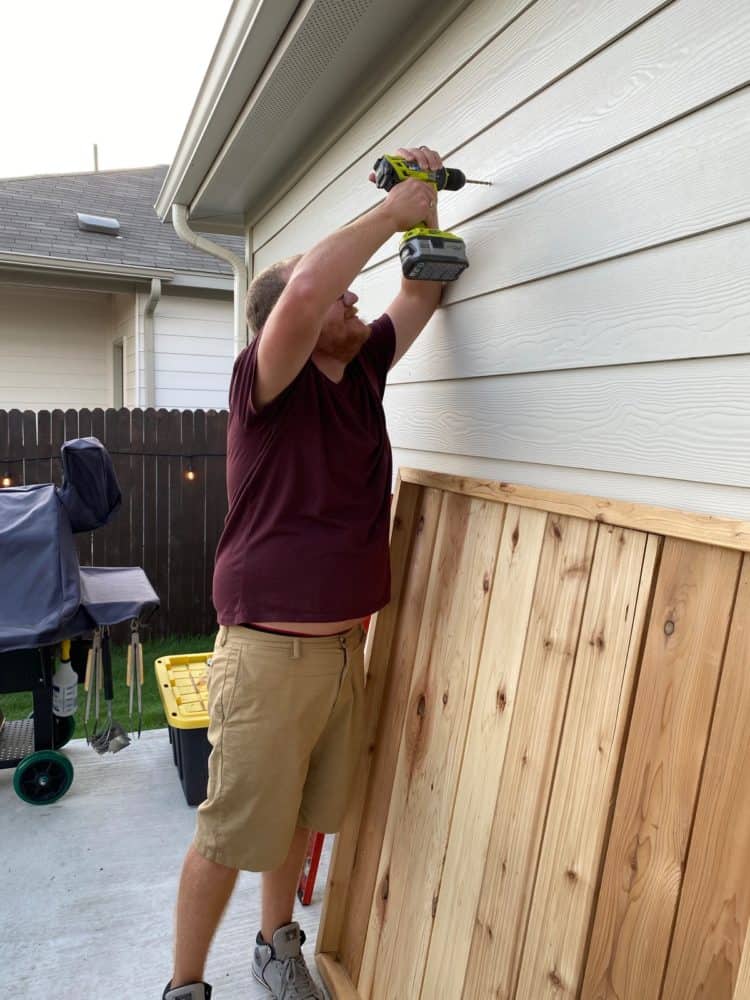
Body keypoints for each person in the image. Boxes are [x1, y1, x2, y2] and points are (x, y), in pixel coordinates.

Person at [163, 145, 448, 1000]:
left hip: (340, 656)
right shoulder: (266, 382)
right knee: (229, 832)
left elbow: (425, 286)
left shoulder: (363, 367)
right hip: (265, 657)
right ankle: (183, 986)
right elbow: (308, 289)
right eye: (335, 294)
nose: (355, 295)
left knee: (297, 818)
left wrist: (425, 208)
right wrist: (391, 211)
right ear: (288, 315)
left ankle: (275, 945)